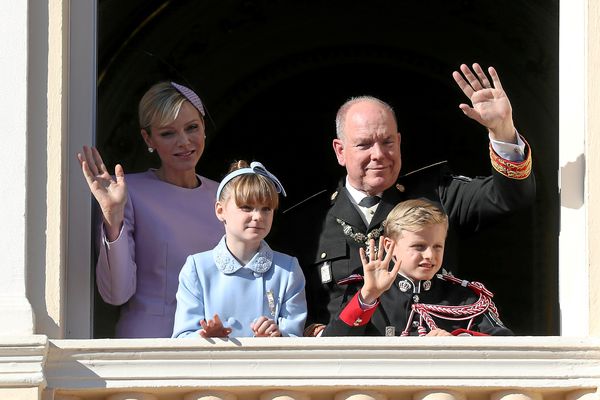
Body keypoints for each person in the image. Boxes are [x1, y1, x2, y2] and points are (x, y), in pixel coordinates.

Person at [276, 63, 535, 337]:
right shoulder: (307, 221)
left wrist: (502, 132)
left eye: (388, 142)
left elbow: (511, 197)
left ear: (399, 141)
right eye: (364, 144)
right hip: (343, 367)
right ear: (340, 151)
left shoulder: (435, 195)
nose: (379, 154)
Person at [78, 81, 224, 338]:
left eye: (192, 128)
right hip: (154, 344)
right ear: (148, 138)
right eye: (168, 133)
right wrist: (113, 217)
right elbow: (116, 293)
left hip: (217, 342)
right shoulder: (128, 192)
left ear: (203, 127)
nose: (184, 142)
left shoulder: (224, 195)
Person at [322, 199, 513, 337]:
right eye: (419, 246)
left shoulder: (464, 298)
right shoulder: (364, 291)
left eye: (437, 246)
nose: (430, 255)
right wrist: (368, 297)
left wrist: (459, 341)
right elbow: (332, 345)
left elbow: (506, 344)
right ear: (389, 246)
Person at [171, 160, 307, 338]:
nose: (258, 216)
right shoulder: (197, 267)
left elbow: (296, 340)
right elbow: (182, 337)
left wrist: (276, 337)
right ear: (220, 211)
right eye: (246, 207)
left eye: (266, 208)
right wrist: (207, 337)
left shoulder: (287, 269)